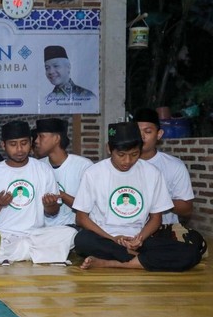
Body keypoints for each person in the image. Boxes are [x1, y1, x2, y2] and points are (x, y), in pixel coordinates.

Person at [73, 122, 203, 271]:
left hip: (139, 240)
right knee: (82, 240)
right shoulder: (93, 173)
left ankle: (113, 262)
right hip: (105, 238)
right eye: (121, 155)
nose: (127, 161)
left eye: (134, 154)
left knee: (192, 253)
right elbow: (81, 218)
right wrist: (112, 238)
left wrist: (139, 239)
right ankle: (138, 259)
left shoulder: (152, 173)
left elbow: (156, 218)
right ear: (109, 149)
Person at [0, 120, 77, 264]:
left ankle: (15, 255)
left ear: (31, 142)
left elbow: (53, 212)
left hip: (35, 235)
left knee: (70, 233)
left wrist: (49, 205)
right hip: (4, 235)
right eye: (13, 144)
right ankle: (34, 254)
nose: (19, 149)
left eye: (24, 143)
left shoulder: (43, 170)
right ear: (3, 145)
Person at [132, 108, 206, 253]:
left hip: (163, 231)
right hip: (125, 229)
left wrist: (159, 197)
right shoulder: (120, 163)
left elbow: (186, 210)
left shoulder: (173, 166)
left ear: (159, 134)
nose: (142, 137)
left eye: (148, 132)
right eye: (137, 131)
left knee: (193, 247)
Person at [33, 118, 93, 226]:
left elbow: (91, 207)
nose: (36, 141)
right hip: (41, 229)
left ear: (56, 139)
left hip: (73, 229)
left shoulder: (83, 166)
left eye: (41, 136)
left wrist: (61, 195)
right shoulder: (38, 166)